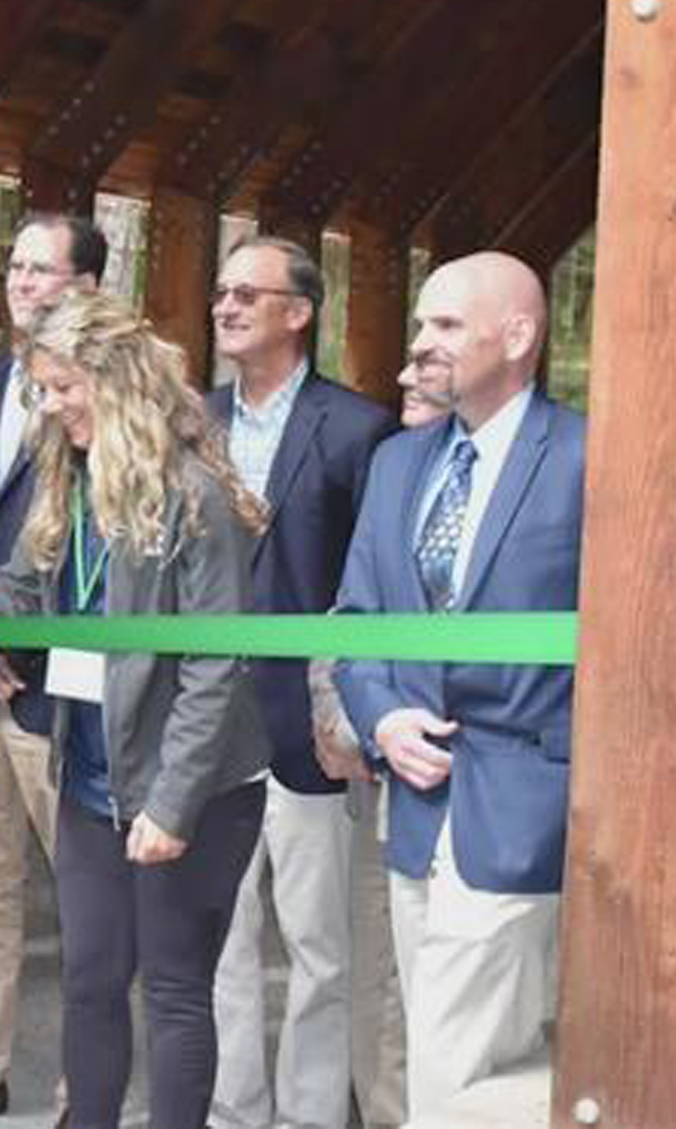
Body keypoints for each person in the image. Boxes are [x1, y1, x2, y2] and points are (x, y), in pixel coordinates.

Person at [0, 287, 271, 1129]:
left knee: (176, 989)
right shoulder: (71, 482)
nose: (51, 405)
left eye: (63, 387)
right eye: (43, 388)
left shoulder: (195, 495)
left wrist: (172, 803)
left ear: (114, 381)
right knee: (89, 980)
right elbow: (26, 588)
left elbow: (215, 661)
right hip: (88, 776)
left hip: (189, 790)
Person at [335, 252, 584, 1114]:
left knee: (467, 1065)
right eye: (422, 324)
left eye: (445, 325)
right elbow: (358, 620)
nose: (421, 343)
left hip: (523, 809)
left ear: (517, 335)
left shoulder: (589, 458)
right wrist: (383, 719)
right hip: (411, 809)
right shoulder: (399, 463)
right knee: (445, 1052)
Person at [203, 237, 394, 1129]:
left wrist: (346, 708)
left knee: (319, 946)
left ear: (299, 312)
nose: (227, 305)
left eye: (249, 292)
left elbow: (370, 586)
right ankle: (234, 1111)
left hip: (306, 731)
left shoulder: (358, 431)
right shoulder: (192, 423)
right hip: (203, 726)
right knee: (220, 940)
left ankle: (312, 1116)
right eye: (221, 291)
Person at [0, 212, 105, 1127]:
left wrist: (19, 646)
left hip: (61, 695)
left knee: (85, 903)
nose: (24, 285)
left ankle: (88, 1085)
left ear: (85, 287)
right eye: (16, 269)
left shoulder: (108, 405)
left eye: (44, 271)